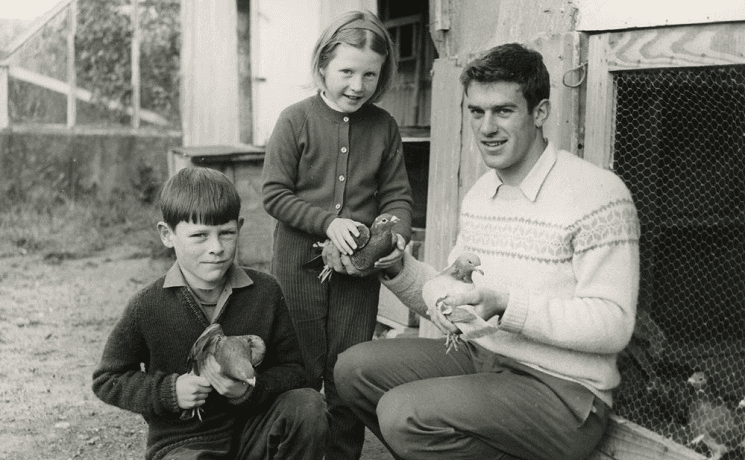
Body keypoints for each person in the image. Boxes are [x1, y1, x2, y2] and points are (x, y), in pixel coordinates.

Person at [334, 43, 641, 460]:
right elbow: (456, 292)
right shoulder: (482, 194)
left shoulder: (597, 193)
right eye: (476, 112)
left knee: (403, 413)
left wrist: (504, 305)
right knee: (354, 369)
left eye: (503, 111)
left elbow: (613, 324)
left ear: (540, 112)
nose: (486, 127)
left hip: (564, 394)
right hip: (485, 358)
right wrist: (397, 269)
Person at [92, 166, 327, 460]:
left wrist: (249, 391)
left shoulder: (264, 291)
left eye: (226, 233)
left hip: (253, 433)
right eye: (200, 235)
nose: (216, 248)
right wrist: (169, 391)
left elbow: (294, 372)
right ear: (167, 235)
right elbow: (108, 379)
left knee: (308, 405)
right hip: (183, 444)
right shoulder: (147, 306)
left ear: (239, 228)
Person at [261, 9, 413, 459]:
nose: (356, 85)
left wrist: (396, 236)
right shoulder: (295, 119)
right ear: (322, 65)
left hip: (356, 278)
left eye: (370, 75)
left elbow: (398, 199)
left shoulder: (383, 126)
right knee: (299, 368)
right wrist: (327, 222)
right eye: (346, 71)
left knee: (346, 371)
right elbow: (273, 193)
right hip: (297, 271)